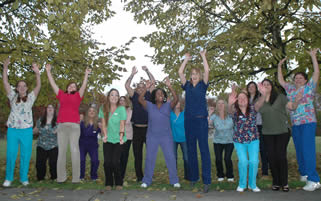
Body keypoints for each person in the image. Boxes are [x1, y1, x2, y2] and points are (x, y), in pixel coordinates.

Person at [278, 48, 320, 191]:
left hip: (308, 122)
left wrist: (313, 57)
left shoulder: (309, 87)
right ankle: (304, 173)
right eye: (296, 78)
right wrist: (279, 66)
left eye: (300, 78)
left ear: (305, 80)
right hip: (296, 124)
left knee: (308, 149)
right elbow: (281, 80)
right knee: (299, 149)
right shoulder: (290, 89)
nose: (297, 80)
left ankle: (314, 180)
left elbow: (316, 73)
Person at [46, 63, 91, 183]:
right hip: (61, 126)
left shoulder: (78, 96)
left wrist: (86, 74)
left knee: (75, 151)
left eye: (74, 86)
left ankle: (76, 178)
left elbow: (84, 86)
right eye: (70, 86)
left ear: (76, 89)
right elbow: (53, 84)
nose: (72, 87)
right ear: (67, 88)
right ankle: (61, 177)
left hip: (74, 127)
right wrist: (48, 71)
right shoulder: (61, 95)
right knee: (61, 152)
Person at [2, 58, 41, 187]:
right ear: (17, 88)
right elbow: (5, 82)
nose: (22, 87)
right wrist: (5, 67)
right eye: (20, 86)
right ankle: (9, 178)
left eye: (24, 86)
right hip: (13, 130)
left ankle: (23, 178)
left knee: (25, 155)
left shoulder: (30, 98)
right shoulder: (12, 96)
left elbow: (38, 86)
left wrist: (37, 73)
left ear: (27, 88)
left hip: (26, 131)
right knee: (11, 154)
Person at [178, 50, 211, 193]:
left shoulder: (203, 85)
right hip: (189, 122)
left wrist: (203, 56)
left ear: (200, 76)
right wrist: (186, 59)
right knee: (191, 151)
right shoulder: (187, 86)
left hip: (201, 122)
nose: (194, 75)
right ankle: (193, 178)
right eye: (192, 74)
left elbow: (207, 69)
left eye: (196, 74)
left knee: (204, 151)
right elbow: (180, 72)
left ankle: (207, 181)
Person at [139, 78, 180, 188]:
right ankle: (146, 181)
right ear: (154, 97)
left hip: (166, 137)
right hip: (152, 136)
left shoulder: (168, 105)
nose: (160, 94)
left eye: (162, 93)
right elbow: (140, 99)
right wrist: (146, 88)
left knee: (170, 157)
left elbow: (176, 98)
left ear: (164, 96)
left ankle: (174, 180)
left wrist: (170, 86)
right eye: (158, 93)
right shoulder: (149, 105)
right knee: (150, 158)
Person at [254, 79, 290, 192]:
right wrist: (262, 95)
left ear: (271, 86)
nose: (266, 86)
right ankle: (276, 182)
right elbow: (256, 108)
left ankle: (284, 182)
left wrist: (297, 100)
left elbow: (291, 106)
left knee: (281, 156)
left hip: (282, 131)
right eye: (263, 85)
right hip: (267, 133)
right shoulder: (260, 100)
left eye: (268, 84)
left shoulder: (280, 97)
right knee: (272, 157)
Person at [125, 66, 155, 182]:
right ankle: (139, 177)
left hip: (148, 129)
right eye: (139, 87)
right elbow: (127, 85)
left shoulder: (149, 95)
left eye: (143, 87)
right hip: (136, 129)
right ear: (137, 89)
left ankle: (149, 175)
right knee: (138, 155)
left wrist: (147, 71)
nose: (141, 88)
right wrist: (132, 74)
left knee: (150, 155)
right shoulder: (134, 96)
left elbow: (153, 82)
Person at [228, 86, 260, 192]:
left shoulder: (253, 108)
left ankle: (252, 184)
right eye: (239, 98)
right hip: (239, 141)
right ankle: (242, 184)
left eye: (244, 98)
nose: (242, 99)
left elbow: (261, 103)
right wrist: (230, 103)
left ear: (248, 100)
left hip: (253, 140)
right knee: (243, 161)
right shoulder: (235, 111)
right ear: (237, 101)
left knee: (254, 161)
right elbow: (229, 110)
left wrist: (264, 95)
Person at [99, 89, 127, 190]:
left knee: (115, 162)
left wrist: (121, 136)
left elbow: (122, 124)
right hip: (108, 138)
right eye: (112, 95)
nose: (114, 97)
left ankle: (119, 182)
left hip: (119, 139)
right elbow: (103, 124)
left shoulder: (121, 109)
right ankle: (108, 183)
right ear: (108, 96)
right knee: (107, 162)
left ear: (118, 97)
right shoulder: (103, 108)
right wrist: (105, 135)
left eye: (116, 95)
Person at [246, 81, 269, 177]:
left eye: (253, 86)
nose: (251, 88)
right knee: (251, 151)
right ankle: (253, 172)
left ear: (256, 88)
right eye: (249, 86)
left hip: (259, 125)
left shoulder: (260, 98)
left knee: (263, 149)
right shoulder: (245, 99)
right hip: (249, 127)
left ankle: (265, 172)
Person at [209, 99, 234, 182]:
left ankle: (230, 175)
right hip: (217, 141)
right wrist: (209, 114)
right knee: (218, 159)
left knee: (227, 158)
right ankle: (220, 175)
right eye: (218, 103)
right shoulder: (214, 116)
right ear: (217, 106)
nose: (220, 105)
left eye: (222, 103)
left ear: (225, 105)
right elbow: (209, 124)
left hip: (229, 141)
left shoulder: (230, 115)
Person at [33, 104, 58, 181]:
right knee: (40, 163)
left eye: (52, 107)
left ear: (54, 110)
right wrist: (25, 132)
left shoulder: (58, 121)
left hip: (53, 145)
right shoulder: (40, 120)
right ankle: (40, 178)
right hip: (41, 145)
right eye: (48, 107)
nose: (50, 109)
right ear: (46, 110)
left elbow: (61, 132)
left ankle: (54, 178)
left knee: (53, 163)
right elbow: (35, 130)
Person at [170, 98, 190, 181]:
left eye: (179, 102)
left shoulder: (184, 113)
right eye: (176, 102)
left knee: (186, 158)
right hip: (173, 139)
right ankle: (174, 176)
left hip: (184, 138)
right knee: (173, 158)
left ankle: (188, 176)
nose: (177, 104)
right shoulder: (170, 114)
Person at [79, 105, 101, 181]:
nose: (91, 112)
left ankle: (93, 176)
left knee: (95, 160)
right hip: (82, 144)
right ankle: (81, 176)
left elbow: (103, 134)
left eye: (93, 111)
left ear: (95, 113)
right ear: (87, 113)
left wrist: (101, 128)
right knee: (81, 160)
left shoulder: (98, 124)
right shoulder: (82, 122)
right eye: (90, 111)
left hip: (93, 145)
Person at [119, 96, 133, 181]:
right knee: (117, 156)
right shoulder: (115, 110)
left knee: (124, 156)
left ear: (126, 102)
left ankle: (122, 175)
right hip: (117, 136)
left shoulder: (130, 111)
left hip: (127, 136)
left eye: (123, 100)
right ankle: (117, 174)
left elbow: (126, 121)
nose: (121, 102)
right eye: (120, 100)